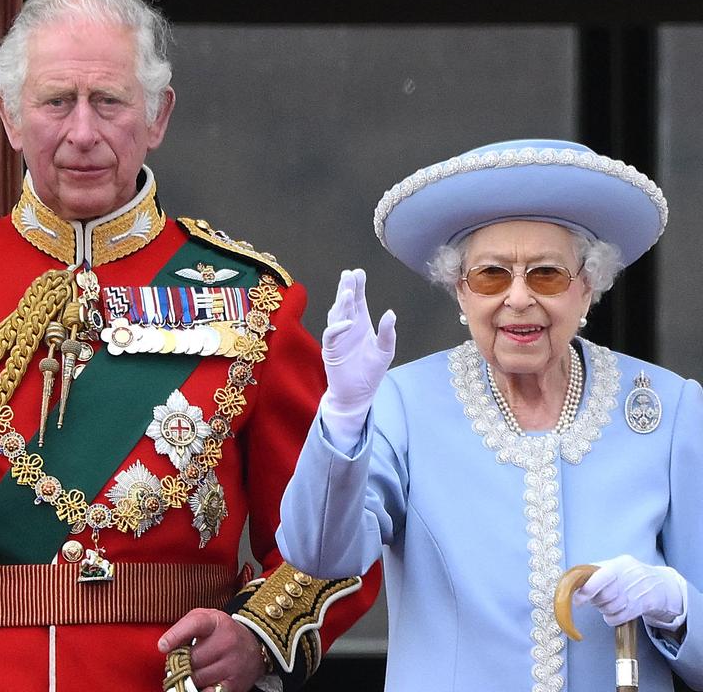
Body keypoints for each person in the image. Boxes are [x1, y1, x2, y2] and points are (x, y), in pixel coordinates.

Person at [0, 0, 377, 692]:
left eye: (109, 101)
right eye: (56, 102)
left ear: (157, 115)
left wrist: (256, 636)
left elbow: (331, 531)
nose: (83, 132)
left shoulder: (253, 300)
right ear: (9, 117)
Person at [276, 138, 703, 691]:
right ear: (460, 290)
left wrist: (675, 607)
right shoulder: (404, 406)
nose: (519, 299)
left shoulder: (668, 410)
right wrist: (344, 412)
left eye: (546, 275)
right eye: (491, 276)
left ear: (588, 286)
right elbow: (321, 555)